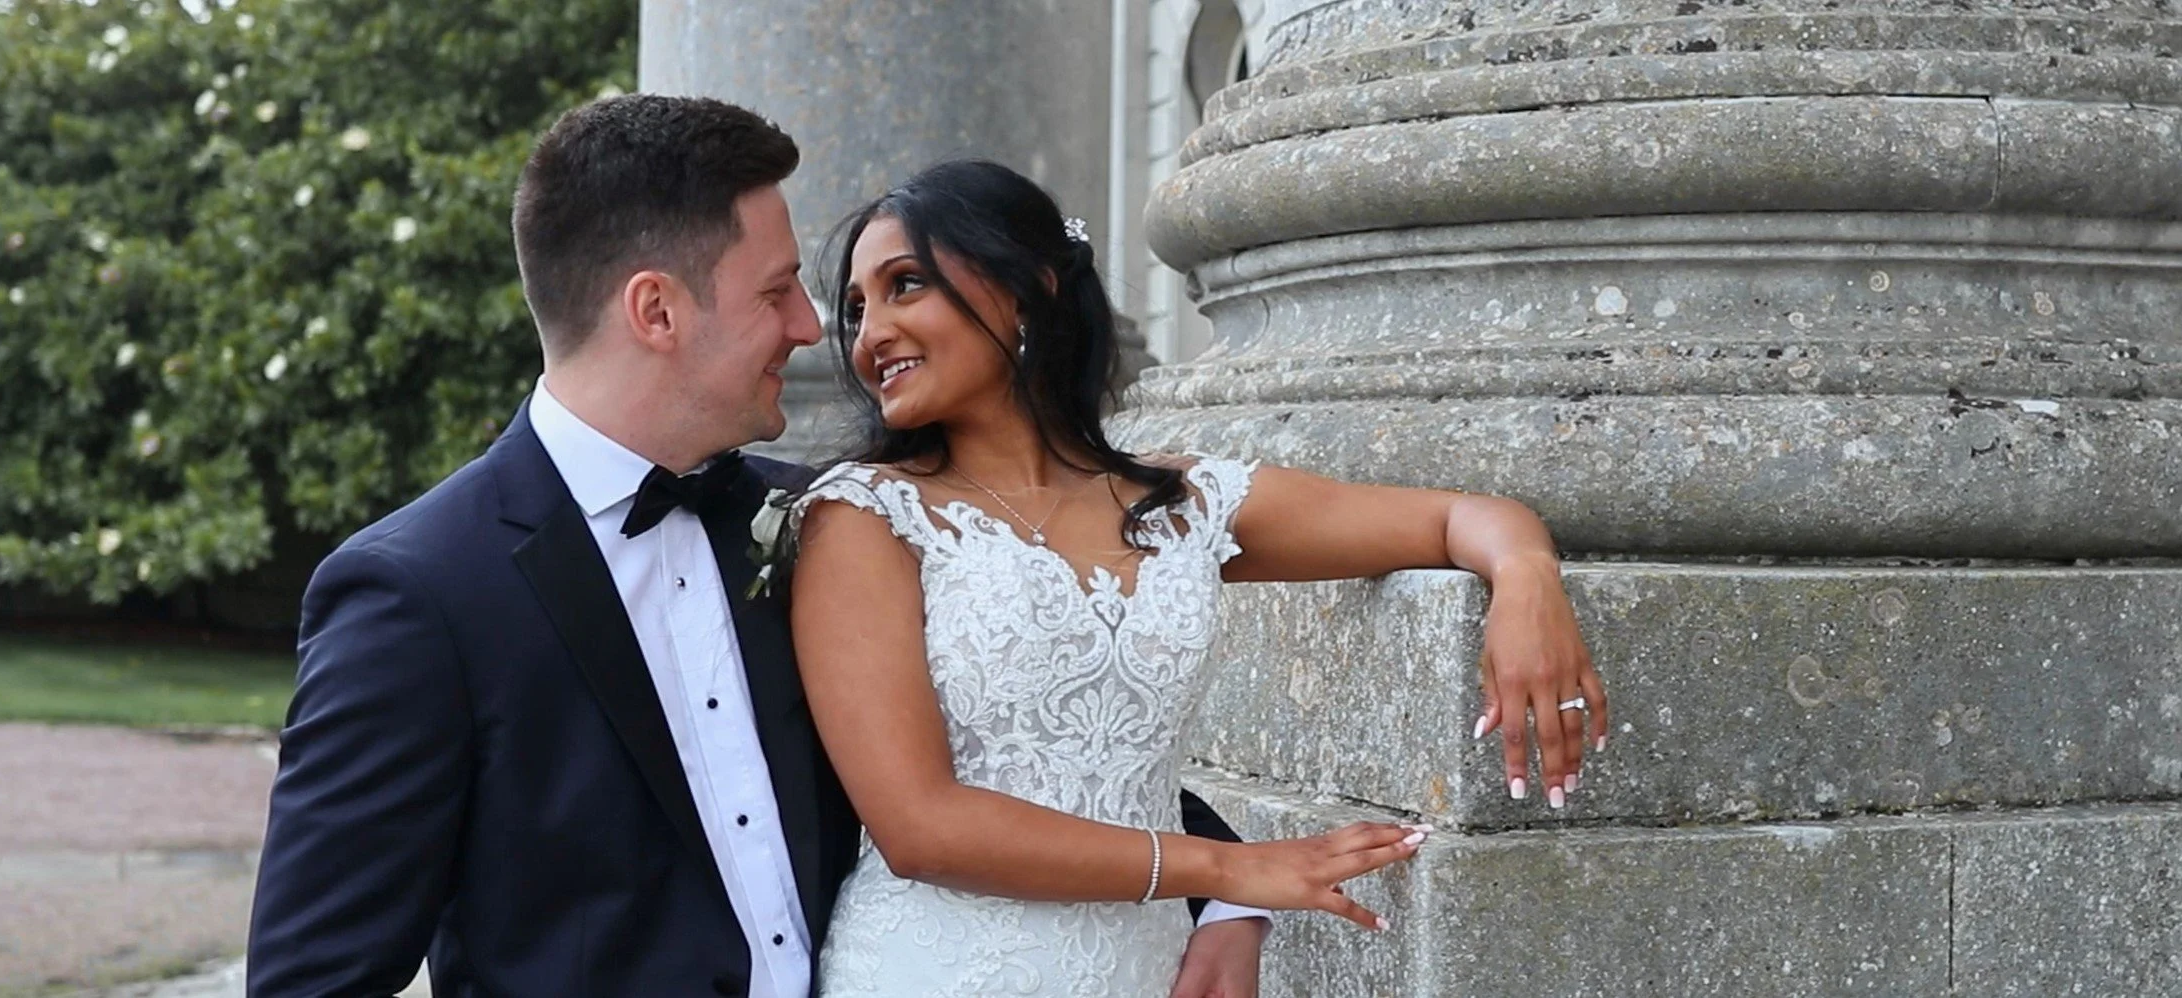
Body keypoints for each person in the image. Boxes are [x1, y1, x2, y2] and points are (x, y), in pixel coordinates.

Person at [245, 96, 1269, 998]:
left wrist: (1226, 894)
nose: (810, 328)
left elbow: (1027, 739)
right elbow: (313, 977)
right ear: (656, 310)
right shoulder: (415, 594)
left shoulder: (824, 522)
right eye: (777, 291)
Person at [785, 159, 1609, 997]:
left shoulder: (1181, 503)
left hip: (1144, 972)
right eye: (856, 309)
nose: (869, 334)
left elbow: (1457, 518)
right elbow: (920, 829)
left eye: (905, 285)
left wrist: (1524, 580)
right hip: (932, 967)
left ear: (1027, 288)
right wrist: (1227, 874)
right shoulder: (862, 516)